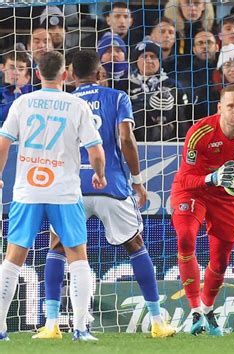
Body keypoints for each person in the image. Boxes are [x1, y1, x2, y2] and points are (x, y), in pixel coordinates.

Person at [33, 50, 176, 340]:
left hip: (71, 186)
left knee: (58, 246)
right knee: (136, 245)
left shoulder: (64, 101)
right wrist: (137, 181)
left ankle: (50, 324)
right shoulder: (117, 97)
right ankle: (158, 321)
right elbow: (126, 139)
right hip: (110, 184)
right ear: (100, 74)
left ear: (70, 76)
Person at [0, 51, 106, 341]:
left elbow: (3, 143)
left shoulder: (22, 103)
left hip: (28, 190)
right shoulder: (77, 105)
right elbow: (96, 151)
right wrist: (100, 174)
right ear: (65, 75)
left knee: (12, 259)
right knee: (78, 258)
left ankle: (0, 328)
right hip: (64, 191)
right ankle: (81, 328)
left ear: (36, 74)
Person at [171, 84, 234, 336]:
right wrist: (212, 177)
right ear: (220, 108)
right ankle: (194, 310)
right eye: (231, 106)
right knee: (185, 238)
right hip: (195, 190)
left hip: (228, 199)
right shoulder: (199, 132)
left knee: (221, 259)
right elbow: (186, 179)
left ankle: (207, 310)